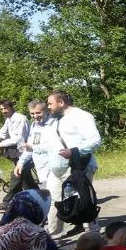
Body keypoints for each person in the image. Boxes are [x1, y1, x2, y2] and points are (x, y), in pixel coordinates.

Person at [45, 90, 102, 237]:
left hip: (78, 167)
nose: (48, 107)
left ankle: (93, 235)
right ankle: (53, 234)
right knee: (54, 200)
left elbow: (95, 140)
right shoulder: (56, 118)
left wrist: (74, 151)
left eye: (50, 103)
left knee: (84, 201)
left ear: (61, 102)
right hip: (57, 168)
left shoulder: (81, 116)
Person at [0, 99, 33, 209]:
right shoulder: (9, 119)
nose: (3, 111)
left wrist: (0, 144)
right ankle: (38, 200)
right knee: (26, 180)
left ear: (12, 107)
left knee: (16, 174)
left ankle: (8, 201)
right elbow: (2, 132)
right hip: (18, 151)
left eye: (5, 108)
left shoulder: (19, 119)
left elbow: (17, 138)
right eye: (1, 109)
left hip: (24, 151)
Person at [16, 100, 56, 190]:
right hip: (42, 170)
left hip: (55, 168)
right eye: (32, 113)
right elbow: (30, 148)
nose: (35, 116)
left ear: (46, 111)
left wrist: (33, 147)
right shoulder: (34, 125)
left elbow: (55, 147)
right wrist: (20, 163)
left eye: (38, 113)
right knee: (47, 197)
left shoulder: (55, 124)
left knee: (56, 199)